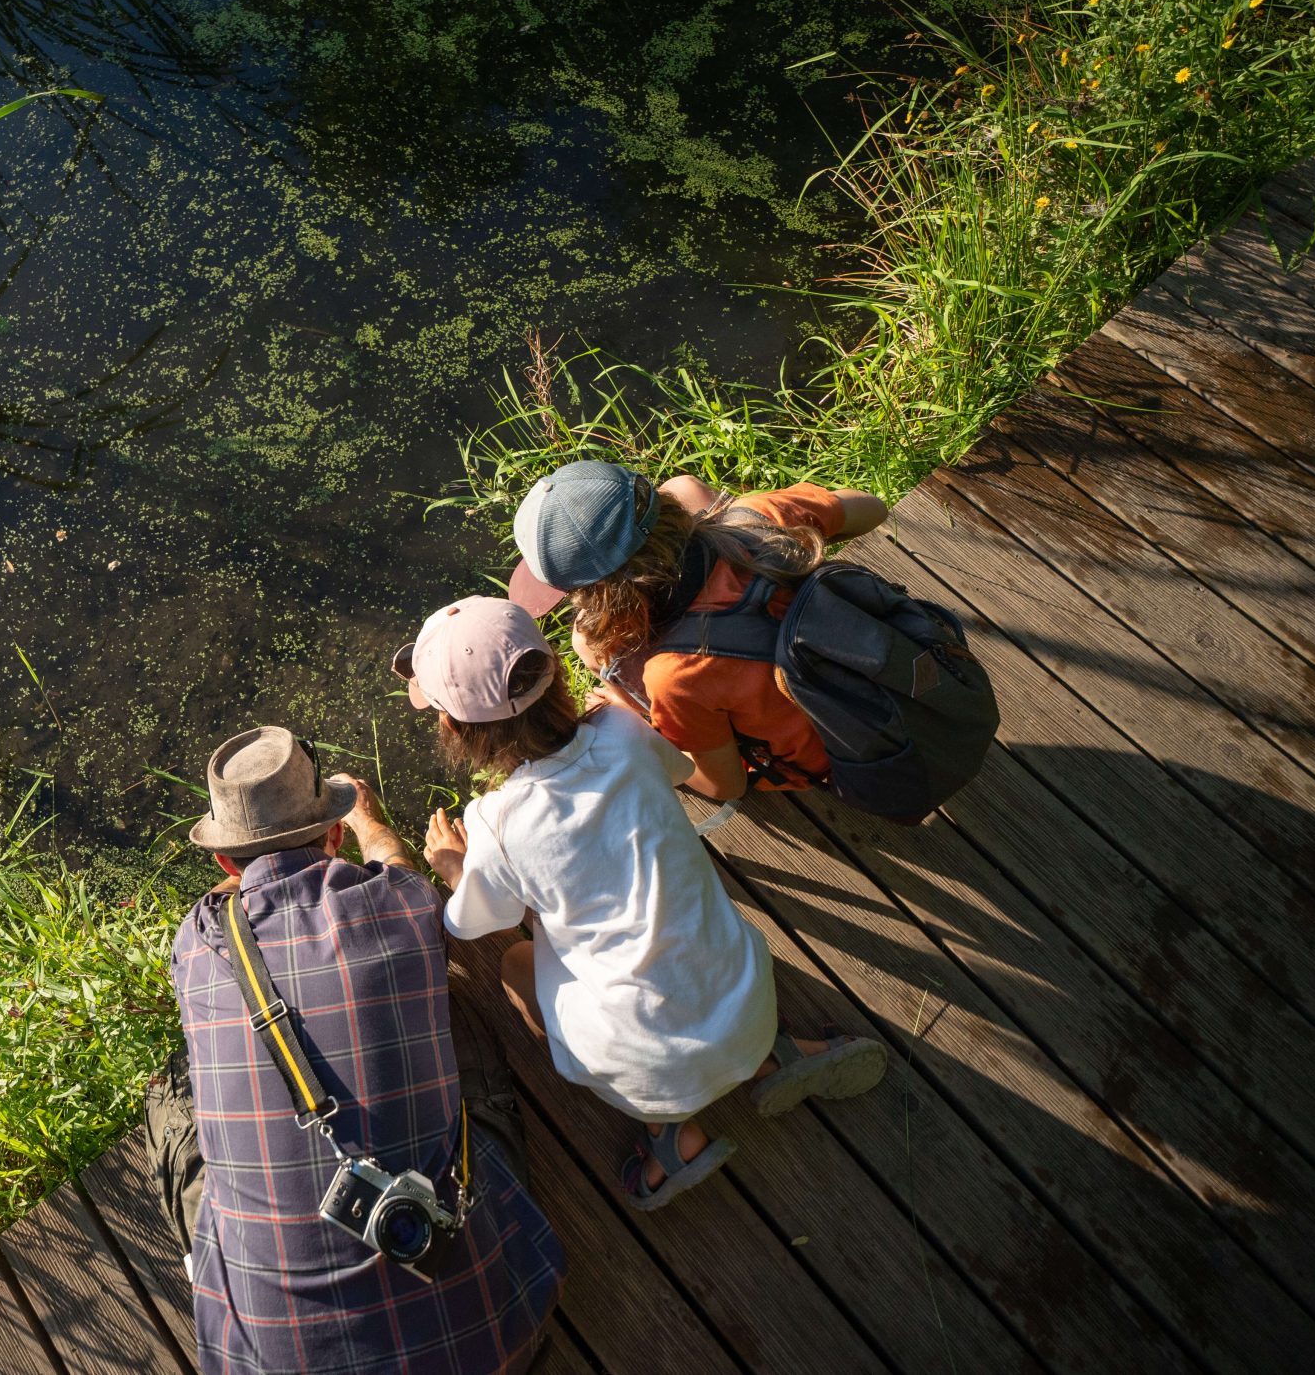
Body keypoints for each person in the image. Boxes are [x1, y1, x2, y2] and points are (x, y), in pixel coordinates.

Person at [395, 597, 888, 1209]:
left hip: (643, 1070)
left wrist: (453, 867)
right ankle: (776, 1053)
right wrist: (618, 715)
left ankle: (671, 1135)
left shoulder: (496, 824)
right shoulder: (626, 733)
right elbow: (678, 770)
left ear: (453, 729)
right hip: (748, 1001)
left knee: (516, 965)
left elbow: (471, 922)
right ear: (552, 675)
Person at [149, 725, 565, 1375]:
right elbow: (398, 869)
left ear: (224, 863)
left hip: (283, 1362)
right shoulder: (402, 903)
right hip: (493, 1326)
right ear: (334, 834)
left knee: (171, 1093)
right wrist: (370, 823)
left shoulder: (200, 938)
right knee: (453, 1012)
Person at [505, 461, 888, 802]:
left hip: (838, 755)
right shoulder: (759, 518)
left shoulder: (674, 675)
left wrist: (633, 722)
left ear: (598, 594)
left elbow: (725, 787)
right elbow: (872, 509)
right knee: (692, 486)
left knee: (590, 646)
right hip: (888, 661)